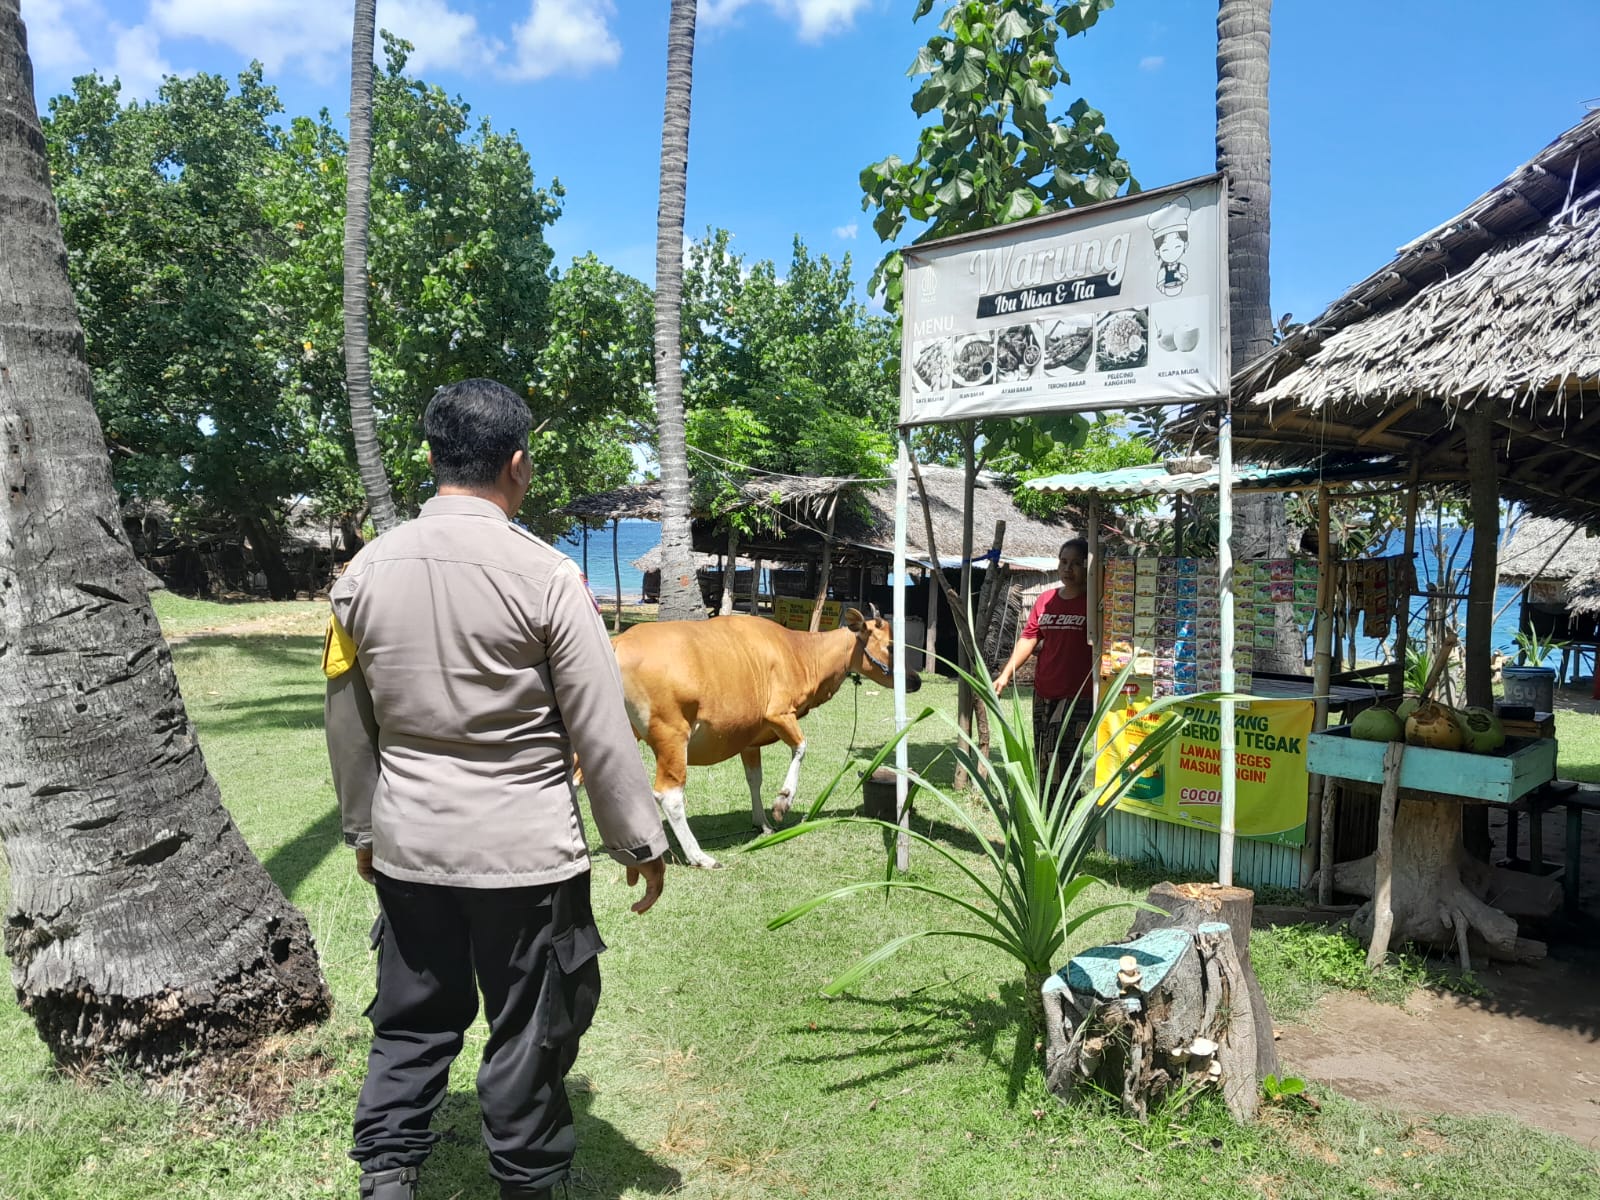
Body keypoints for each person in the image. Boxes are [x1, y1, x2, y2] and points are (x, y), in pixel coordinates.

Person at [323, 378, 669, 1200]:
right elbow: (600, 725)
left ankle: (387, 1177)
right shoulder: (548, 577)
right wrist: (638, 841)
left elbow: (348, 719)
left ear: (434, 459)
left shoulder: (362, 574)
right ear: (517, 464)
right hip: (526, 860)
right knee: (531, 1031)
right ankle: (525, 1182)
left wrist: (364, 829)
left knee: (410, 1022)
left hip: (411, 849)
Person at [993, 537, 1094, 802]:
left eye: (1076, 563)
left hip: (1077, 696)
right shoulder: (1045, 600)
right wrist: (1005, 675)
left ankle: (1064, 809)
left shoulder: (1095, 603)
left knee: (1064, 755)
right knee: (1043, 753)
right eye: (1063, 562)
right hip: (1044, 691)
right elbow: (1028, 638)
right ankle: (1046, 808)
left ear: (1088, 567)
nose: (1068, 569)